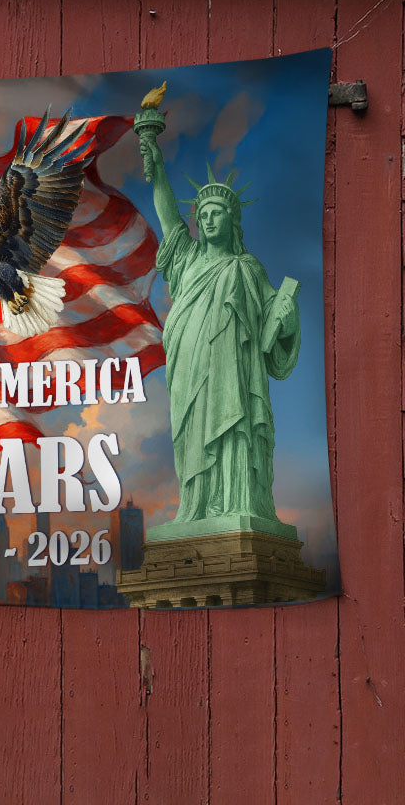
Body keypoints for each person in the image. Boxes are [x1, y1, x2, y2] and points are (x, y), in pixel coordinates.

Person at [139, 132, 299, 526]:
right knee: (193, 435)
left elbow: (276, 322)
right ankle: (195, 509)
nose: (208, 219)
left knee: (235, 429)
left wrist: (287, 317)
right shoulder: (187, 259)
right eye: (203, 214)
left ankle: (237, 504)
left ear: (233, 220)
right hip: (190, 366)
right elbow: (167, 215)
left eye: (217, 213)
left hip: (234, 373)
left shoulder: (248, 269)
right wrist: (156, 165)